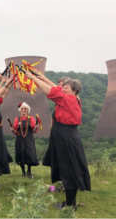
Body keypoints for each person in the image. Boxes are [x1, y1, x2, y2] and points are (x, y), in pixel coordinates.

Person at [25, 72, 90, 210]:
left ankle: (69, 205)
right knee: (67, 168)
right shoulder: (73, 98)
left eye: (66, 87)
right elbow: (55, 88)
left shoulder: (68, 99)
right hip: (66, 134)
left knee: (68, 169)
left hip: (65, 136)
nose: (63, 88)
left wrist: (32, 78)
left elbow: (49, 90)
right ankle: (70, 203)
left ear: (74, 90)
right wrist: (41, 77)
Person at [10, 102, 39, 179]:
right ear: (20, 110)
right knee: (20, 153)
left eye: (25, 109)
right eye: (22, 109)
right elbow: (15, 129)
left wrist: (36, 127)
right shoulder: (17, 119)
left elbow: (34, 129)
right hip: (19, 138)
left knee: (29, 153)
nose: (23, 110)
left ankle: (29, 171)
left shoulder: (31, 118)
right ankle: (23, 172)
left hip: (29, 138)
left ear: (27, 110)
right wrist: (13, 130)